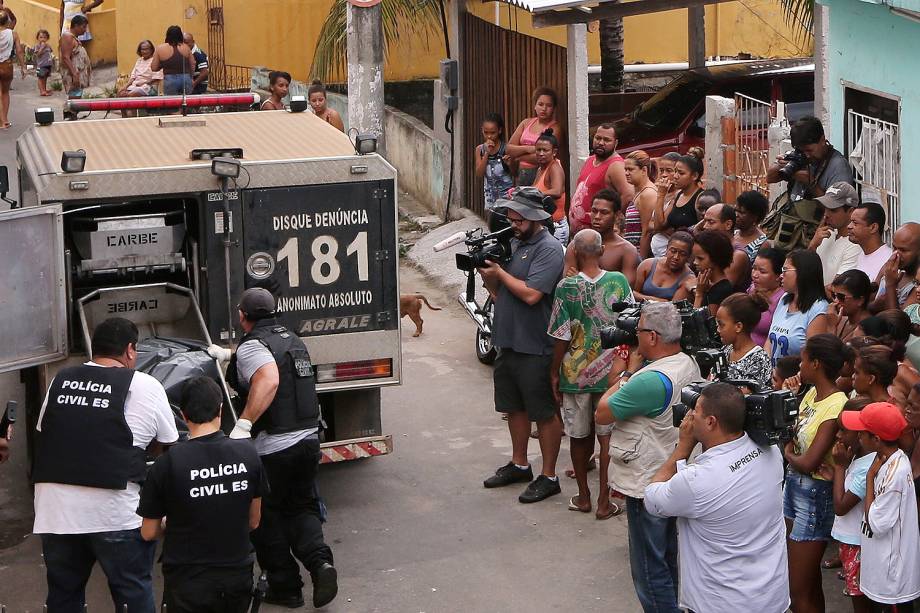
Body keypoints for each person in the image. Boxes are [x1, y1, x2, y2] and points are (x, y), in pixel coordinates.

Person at [32, 317, 179, 613]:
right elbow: (167, 444)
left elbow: (45, 432)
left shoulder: (60, 379)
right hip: (116, 514)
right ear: (130, 350)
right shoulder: (145, 384)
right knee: (131, 595)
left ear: (92, 350)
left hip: (56, 513)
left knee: (64, 596)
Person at [225, 288, 338, 609]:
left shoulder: (253, 346)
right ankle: (320, 565)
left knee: (265, 519)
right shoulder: (290, 338)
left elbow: (269, 379)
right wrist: (226, 354)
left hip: (274, 447)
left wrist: (243, 424)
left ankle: (286, 588)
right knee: (301, 508)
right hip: (307, 440)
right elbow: (275, 367)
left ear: (242, 315)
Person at [644, 383, 789, 613]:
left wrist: (683, 448)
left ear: (711, 422)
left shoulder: (696, 481)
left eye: (696, 412)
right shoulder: (770, 452)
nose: (689, 416)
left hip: (720, 603)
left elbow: (652, 499)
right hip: (769, 598)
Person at [596, 301, 701, 613]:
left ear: (653, 337)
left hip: (646, 480)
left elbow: (602, 412)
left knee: (648, 565)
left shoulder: (647, 379)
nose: (633, 335)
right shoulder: (687, 363)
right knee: (667, 555)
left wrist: (628, 371)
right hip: (674, 472)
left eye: (638, 330)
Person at [138, 377, 268, 613]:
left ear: (184, 415)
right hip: (236, 576)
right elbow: (254, 521)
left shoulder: (167, 464)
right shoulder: (248, 455)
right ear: (220, 409)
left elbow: (148, 532)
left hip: (187, 581)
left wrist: (170, 523)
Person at [479, 187, 565, 503]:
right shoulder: (513, 242)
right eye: (511, 217)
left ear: (533, 217)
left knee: (542, 411)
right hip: (507, 339)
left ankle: (550, 475)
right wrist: (488, 273)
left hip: (535, 343)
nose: (512, 222)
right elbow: (498, 293)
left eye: (518, 218)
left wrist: (500, 271)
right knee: (512, 406)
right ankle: (520, 463)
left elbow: (531, 294)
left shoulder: (550, 249)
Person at [548, 229, 633, 519]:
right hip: (612, 372)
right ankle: (603, 501)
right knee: (607, 439)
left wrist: (554, 372)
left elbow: (560, 337)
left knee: (578, 436)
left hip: (576, 374)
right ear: (600, 252)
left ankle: (584, 496)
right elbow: (629, 324)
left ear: (574, 252)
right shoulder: (619, 281)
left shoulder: (566, 287)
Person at [783, 333, 850, 613]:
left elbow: (809, 461)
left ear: (817, 364)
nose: (800, 364)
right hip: (794, 487)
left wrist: (787, 452)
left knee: (796, 592)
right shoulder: (810, 392)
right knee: (809, 584)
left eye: (805, 359)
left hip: (815, 496)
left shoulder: (836, 405)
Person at [841, 402, 920, 609]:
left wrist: (869, 478)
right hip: (881, 567)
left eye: (862, 433)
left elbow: (876, 523)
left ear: (876, 439)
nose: (858, 436)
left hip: (891, 577)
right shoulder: (884, 459)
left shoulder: (895, 472)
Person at [819, 396, 874, 613]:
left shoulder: (865, 467)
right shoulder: (857, 458)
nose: (839, 436)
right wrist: (837, 477)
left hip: (857, 543)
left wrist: (840, 467)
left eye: (844, 431)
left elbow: (841, 507)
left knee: (861, 600)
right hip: (850, 541)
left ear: (862, 435)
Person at [766, 115, 854, 200]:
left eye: (809, 150)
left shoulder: (838, 167)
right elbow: (770, 178)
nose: (807, 155)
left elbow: (837, 211)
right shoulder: (800, 156)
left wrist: (811, 183)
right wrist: (783, 165)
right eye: (801, 151)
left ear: (822, 140)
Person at [766, 249, 829, 365]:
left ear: (803, 272)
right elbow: (769, 342)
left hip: (795, 380)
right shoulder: (784, 299)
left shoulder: (819, 308)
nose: (780, 276)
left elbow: (812, 356)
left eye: (785, 270)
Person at [564, 189, 639, 285]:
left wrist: (581, 278)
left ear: (616, 215)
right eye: (594, 211)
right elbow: (568, 284)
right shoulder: (576, 244)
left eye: (604, 212)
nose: (597, 217)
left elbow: (624, 289)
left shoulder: (627, 250)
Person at [568, 124, 633, 234]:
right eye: (598, 138)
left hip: (597, 234)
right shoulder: (590, 160)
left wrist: (609, 219)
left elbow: (628, 194)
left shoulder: (616, 165)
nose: (601, 142)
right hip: (579, 233)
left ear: (615, 143)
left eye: (607, 140)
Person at [650, 151, 704, 258]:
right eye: (675, 171)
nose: (675, 176)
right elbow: (658, 225)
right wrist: (661, 195)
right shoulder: (678, 195)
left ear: (694, 176)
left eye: (681, 173)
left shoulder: (700, 198)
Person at [506, 87, 563, 186]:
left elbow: (545, 157)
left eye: (548, 105)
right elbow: (508, 148)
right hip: (521, 173)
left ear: (554, 108)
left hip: (541, 173)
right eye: (540, 104)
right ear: (535, 106)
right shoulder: (526, 123)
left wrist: (518, 157)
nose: (544, 109)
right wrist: (529, 148)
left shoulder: (555, 128)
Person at [809, 181, 862, 288]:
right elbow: (805, 271)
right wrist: (812, 246)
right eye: (825, 208)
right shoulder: (826, 233)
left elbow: (836, 289)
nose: (826, 214)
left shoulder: (855, 246)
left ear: (851, 211)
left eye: (833, 210)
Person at [716, 293, 772, 390]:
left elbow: (744, 396)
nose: (717, 330)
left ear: (738, 326)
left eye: (721, 325)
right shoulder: (725, 350)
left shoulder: (759, 360)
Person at [698, 203, 753, 291]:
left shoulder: (737, 255)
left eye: (711, 222)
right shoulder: (712, 247)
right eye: (704, 221)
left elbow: (719, 290)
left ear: (728, 224)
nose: (705, 226)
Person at [633, 231, 694, 302]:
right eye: (673, 251)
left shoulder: (688, 279)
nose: (676, 257)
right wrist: (658, 300)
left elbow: (674, 307)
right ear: (667, 249)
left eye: (683, 254)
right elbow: (633, 294)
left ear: (688, 256)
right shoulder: (647, 265)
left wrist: (643, 298)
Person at [684, 229, 735, 316]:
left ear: (715, 259)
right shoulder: (706, 282)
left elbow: (705, 324)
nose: (695, 262)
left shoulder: (721, 290)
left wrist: (699, 294)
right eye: (695, 258)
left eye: (700, 259)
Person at [873, 222, 920, 312]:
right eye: (894, 248)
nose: (896, 254)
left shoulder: (917, 285)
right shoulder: (890, 267)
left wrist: (890, 285)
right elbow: (867, 304)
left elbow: (897, 324)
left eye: (903, 250)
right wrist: (874, 306)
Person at [533, 128, 569, 243]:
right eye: (538, 150)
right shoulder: (540, 169)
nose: (541, 153)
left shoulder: (554, 167)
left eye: (545, 150)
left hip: (555, 226)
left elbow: (557, 191)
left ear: (554, 152)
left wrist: (533, 193)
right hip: (544, 225)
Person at [475, 113, 514, 212]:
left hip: (506, 194)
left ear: (499, 131)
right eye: (486, 132)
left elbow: (515, 174)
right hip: (490, 194)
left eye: (493, 133)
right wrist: (487, 154)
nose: (489, 136)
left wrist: (510, 165)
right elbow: (479, 173)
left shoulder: (506, 148)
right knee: (492, 222)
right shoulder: (480, 149)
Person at [622, 150, 658, 256]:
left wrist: (641, 262)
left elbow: (646, 232)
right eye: (625, 169)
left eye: (630, 169)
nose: (626, 173)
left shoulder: (648, 194)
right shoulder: (638, 191)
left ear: (644, 170)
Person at [749, 246, 786, 347]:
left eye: (762, 272)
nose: (755, 275)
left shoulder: (783, 299)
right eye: (754, 268)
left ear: (779, 276)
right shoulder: (752, 288)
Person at [848, 202, 893, 283]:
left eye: (855, 223)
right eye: (850, 222)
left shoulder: (889, 260)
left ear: (873, 227)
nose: (849, 226)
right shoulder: (861, 255)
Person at [116, 39, 162, 117]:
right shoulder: (139, 60)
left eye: (147, 49)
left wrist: (144, 83)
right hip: (136, 86)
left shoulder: (155, 60)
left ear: (151, 50)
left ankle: (133, 117)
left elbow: (157, 78)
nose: (144, 51)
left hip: (149, 88)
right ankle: (124, 117)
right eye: (142, 49)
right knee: (121, 94)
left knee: (132, 94)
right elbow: (133, 76)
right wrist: (125, 87)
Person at [827, 269, 874, 341]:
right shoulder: (840, 320)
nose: (836, 301)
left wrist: (832, 327)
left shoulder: (867, 330)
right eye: (834, 295)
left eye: (841, 297)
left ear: (860, 300)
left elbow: (830, 351)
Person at [59, 14, 90, 120]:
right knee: (74, 95)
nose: (85, 30)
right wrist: (74, 73)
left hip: (77, 72)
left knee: (77, 95)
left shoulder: (73, 38)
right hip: (73, 73)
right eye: (83, 27)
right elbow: (65, 57)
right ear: (76, 26)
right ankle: (69, 116)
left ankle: (73, 115)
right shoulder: (67, 36)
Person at [150, 25, 195, 96]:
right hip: (185, 78)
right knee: (186, 103)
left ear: (167, 35)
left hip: (170, 79)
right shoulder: (186, 48)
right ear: (180, 35)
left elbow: (154, 68)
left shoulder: (160, 49)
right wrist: (191, 77)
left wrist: (163, 64)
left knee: (172, 103)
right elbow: (192, 64)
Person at [0, 11, 24, 130]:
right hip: (7, 66)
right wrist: (23, 67)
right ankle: (5, 120)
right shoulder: (14, 34)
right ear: (8, 21)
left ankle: (0, 121)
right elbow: (19, 51)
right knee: (5, 93)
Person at [734, 190, 770, 263]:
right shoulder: (732, 234)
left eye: (742, 212)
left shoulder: (762, 244)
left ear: (755, 216)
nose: (736, 215)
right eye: (735, 210)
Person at [32, 29, 53, 97]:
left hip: (47, 64)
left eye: (44, 37)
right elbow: (38, 55)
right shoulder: (37, 46)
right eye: (41, 37)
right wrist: (42, 48)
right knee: (40, 78)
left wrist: (48, 47)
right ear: (38, 38)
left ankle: (44, 89)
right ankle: (42, 91)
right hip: (41, 65)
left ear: (47, 38)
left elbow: (51, 51)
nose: (43, 39)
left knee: (45, 78)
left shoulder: (48, 45)